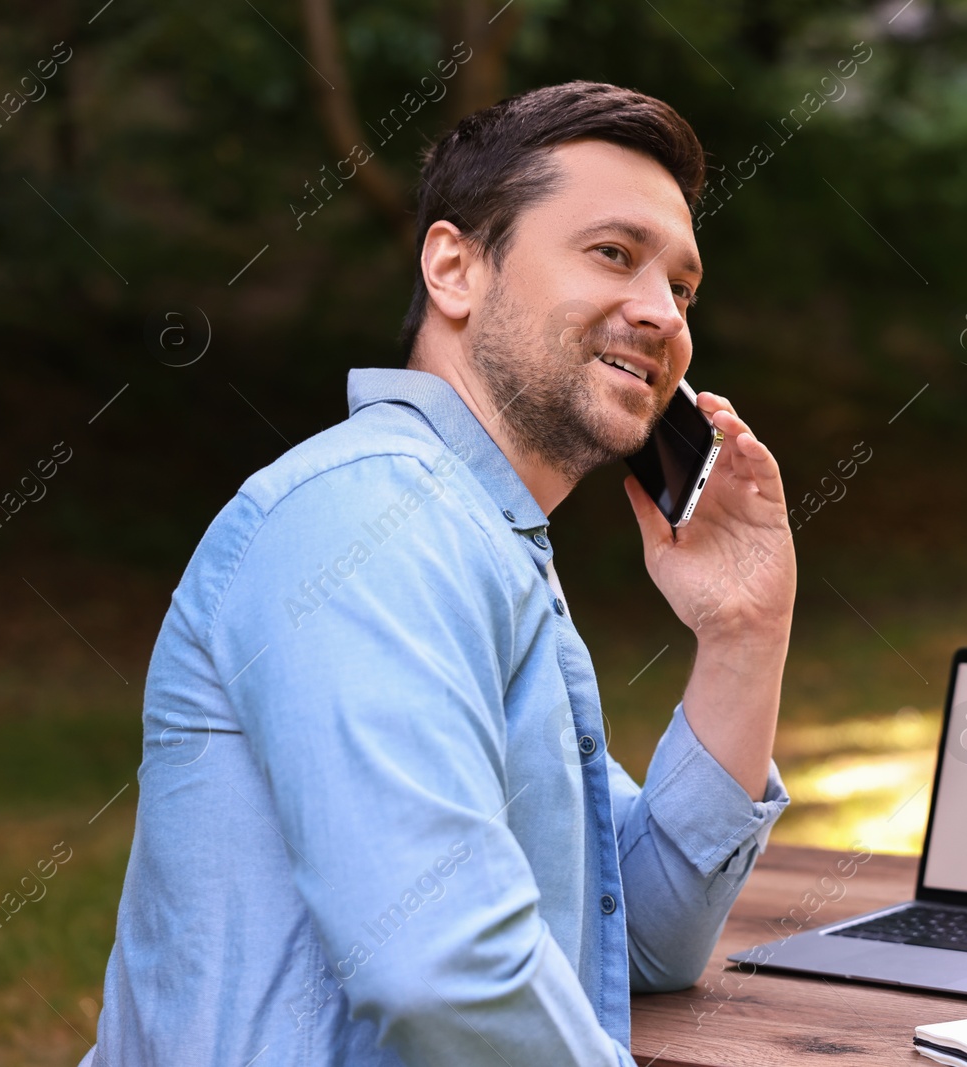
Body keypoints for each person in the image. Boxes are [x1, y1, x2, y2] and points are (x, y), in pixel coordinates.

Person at [85, 80, 797, 1066]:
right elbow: (446, 969)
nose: (661, 313)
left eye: (681, 287)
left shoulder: (478, 536)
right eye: (613, 255)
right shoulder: (371, 520)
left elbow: (635, 938)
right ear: (456, 268)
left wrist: (743, 633)